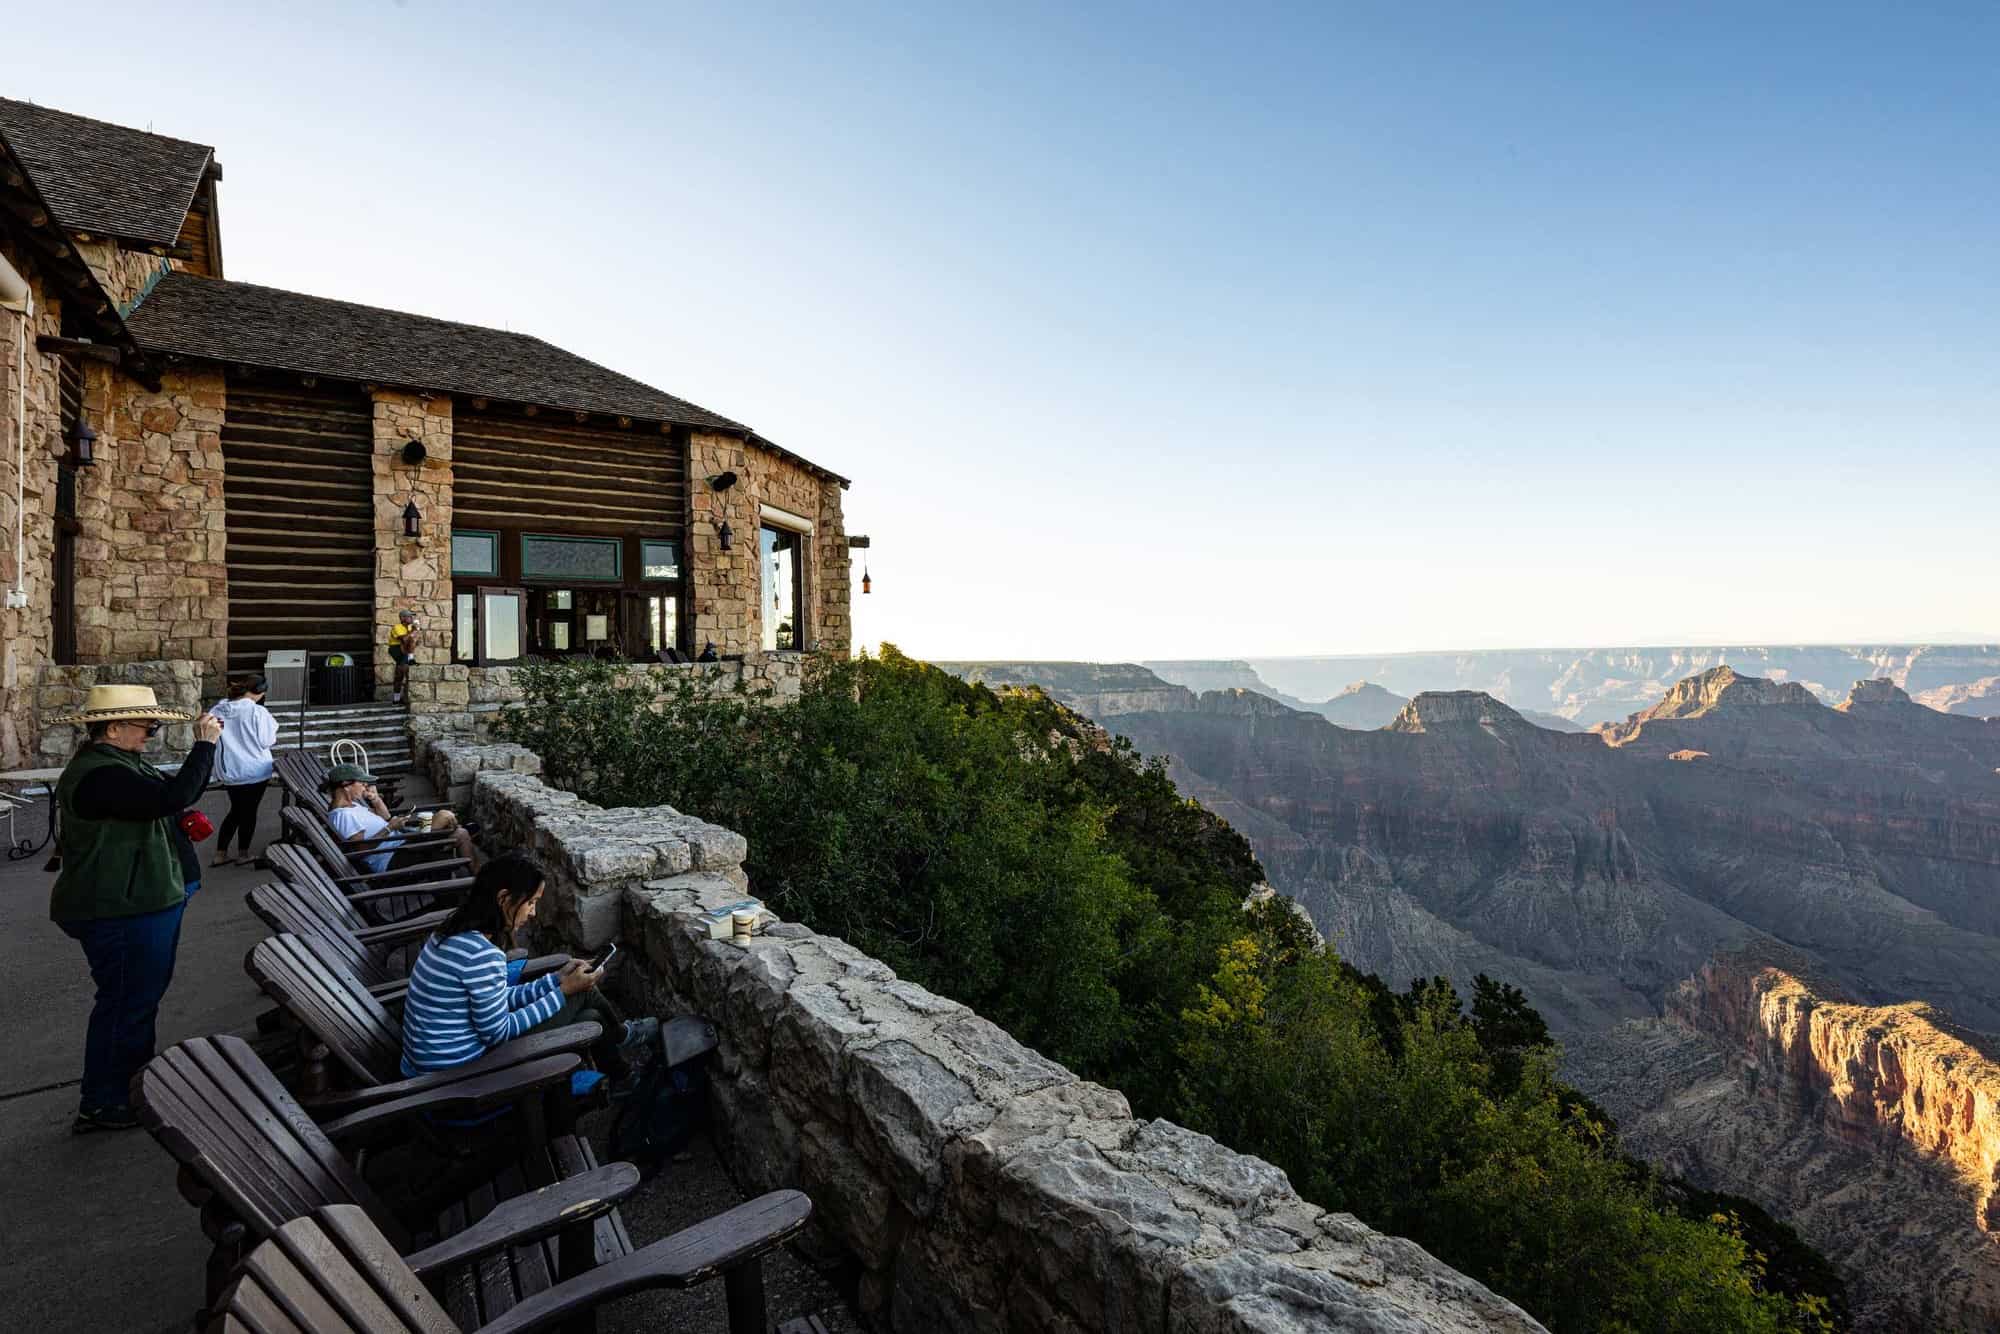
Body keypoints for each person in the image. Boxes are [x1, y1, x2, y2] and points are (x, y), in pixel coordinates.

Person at [49, 685, 222, 1133]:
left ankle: (130, 1087)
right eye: (147, 726)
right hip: (123, 907)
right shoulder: (100, 776)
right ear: (113, 728)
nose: (152, 734)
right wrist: (204, 745)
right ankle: (104, 1101)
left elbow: (174, 794)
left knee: (137, 999)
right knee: (127, 1002)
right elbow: (172, 797)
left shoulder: (120, 764)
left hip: (142, 901)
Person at [400, 850, 656, 1081]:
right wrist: (564, 991)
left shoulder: (452, 932)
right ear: (504, 899)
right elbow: (499, 1032)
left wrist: (555, 978)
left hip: (437, 1059)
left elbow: (496, 1001)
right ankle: (623, 1037)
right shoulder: (481, 954)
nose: (533, 912)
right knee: (584, 993)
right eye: (531, 902)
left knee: (591, 1017)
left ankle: (622, 1073)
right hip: (459, 1073)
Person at [322, 763, 477, 873]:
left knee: (460, 833)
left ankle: (473, 874)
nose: (364, 786)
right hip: (393, 857)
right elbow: (361, 849)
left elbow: (386, 817)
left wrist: (376, 799)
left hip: (402, 843)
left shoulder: (353, 806)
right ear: (345, 784)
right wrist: (390, 828)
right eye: (361, 782)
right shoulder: (343, 815)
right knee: (445, 816)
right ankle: (453, 842)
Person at [209, 674, 278, 866]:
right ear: (259, 692)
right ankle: (243, 853)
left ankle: (220, 853)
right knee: (248, 812)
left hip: (230, 768)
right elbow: (267, 740)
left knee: (236, 810)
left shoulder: (218, 709)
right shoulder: (258, 712)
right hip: (255, 770)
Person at [387, 610, 419, 703]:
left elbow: (414, 643)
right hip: (396, 649)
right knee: (404, 670)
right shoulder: (397, 627)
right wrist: (413, 631)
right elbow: (404, 639)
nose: (412, 618)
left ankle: (396, 700)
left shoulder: (408, 628)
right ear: (403, 618)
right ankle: (411, 659)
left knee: (399, 675)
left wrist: (415, 631)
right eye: (410, 617)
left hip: (404, 651)